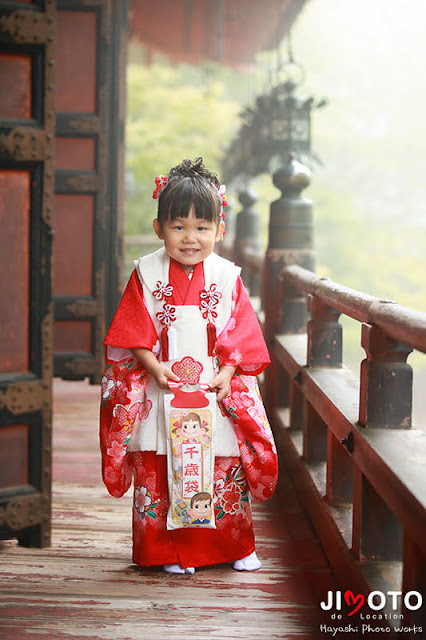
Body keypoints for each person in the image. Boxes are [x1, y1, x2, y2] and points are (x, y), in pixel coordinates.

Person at [100, 157, 278, 576]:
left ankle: (234, 546)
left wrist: (228, 373)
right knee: (161, 461)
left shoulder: (227, 276)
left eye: (202, 227)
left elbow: (241, 333)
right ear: (160, 227)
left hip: (214, 385)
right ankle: (167, 551)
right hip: (162, 383)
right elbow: (133, 329)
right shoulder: (146, 273)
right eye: (178, 226)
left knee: (221, 462)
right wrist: (152, 365)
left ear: (220, 229)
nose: (190, 238)